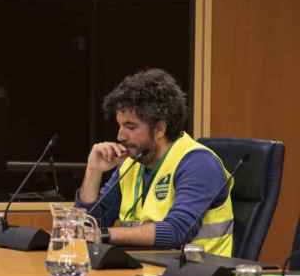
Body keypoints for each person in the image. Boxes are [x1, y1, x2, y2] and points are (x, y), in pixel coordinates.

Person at [76, 68, 233, 256]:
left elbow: (176, 232)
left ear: (159, 129)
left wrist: (102, 235)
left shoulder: (199, 163)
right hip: (145, 274)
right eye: (120, 126)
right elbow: (90, 225)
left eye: (130, 127)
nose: (120, 136)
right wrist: (94, 172)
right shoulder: (131, 164)